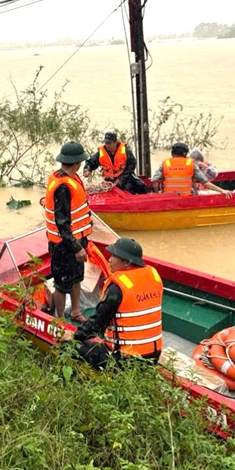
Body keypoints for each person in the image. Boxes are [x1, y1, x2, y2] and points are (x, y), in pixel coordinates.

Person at [64, 237, 163, 370]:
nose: (109, 260)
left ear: (127, 262)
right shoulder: (153, 276)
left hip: (125, 359)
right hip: (153, 355)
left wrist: (74, 336)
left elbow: (97, 323)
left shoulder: (118, 287)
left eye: (114, 256)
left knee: (69, 347)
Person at [42, 141, 93, 324]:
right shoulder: (62, 187)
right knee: (62, 283)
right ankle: (61, 320)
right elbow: (62, 222)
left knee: (77, 277)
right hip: (64, 245)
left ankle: (76, 312)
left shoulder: (69, 179)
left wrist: (80, 244)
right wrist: (76, 247)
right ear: (78, 163)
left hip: (78, 239)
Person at [151, 142, 232, 197]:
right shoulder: (191, 163)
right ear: (185, 154)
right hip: (186, 197)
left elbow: (154, 180)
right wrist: (222, 190)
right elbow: (205, 183)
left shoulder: (166, 163)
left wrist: (158, 194)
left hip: (168, 197)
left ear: (172, 153)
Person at [82, 131, 147, 194]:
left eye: (109, 143)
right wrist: (87, 169)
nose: (107, 145)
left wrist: (121, 178)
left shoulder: (125, 151)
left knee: (141, 186)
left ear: (115, 142)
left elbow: (132, 164)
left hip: (125, 178)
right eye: (106, 143)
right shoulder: (101, 152)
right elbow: (90, 162)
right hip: (109, 181)